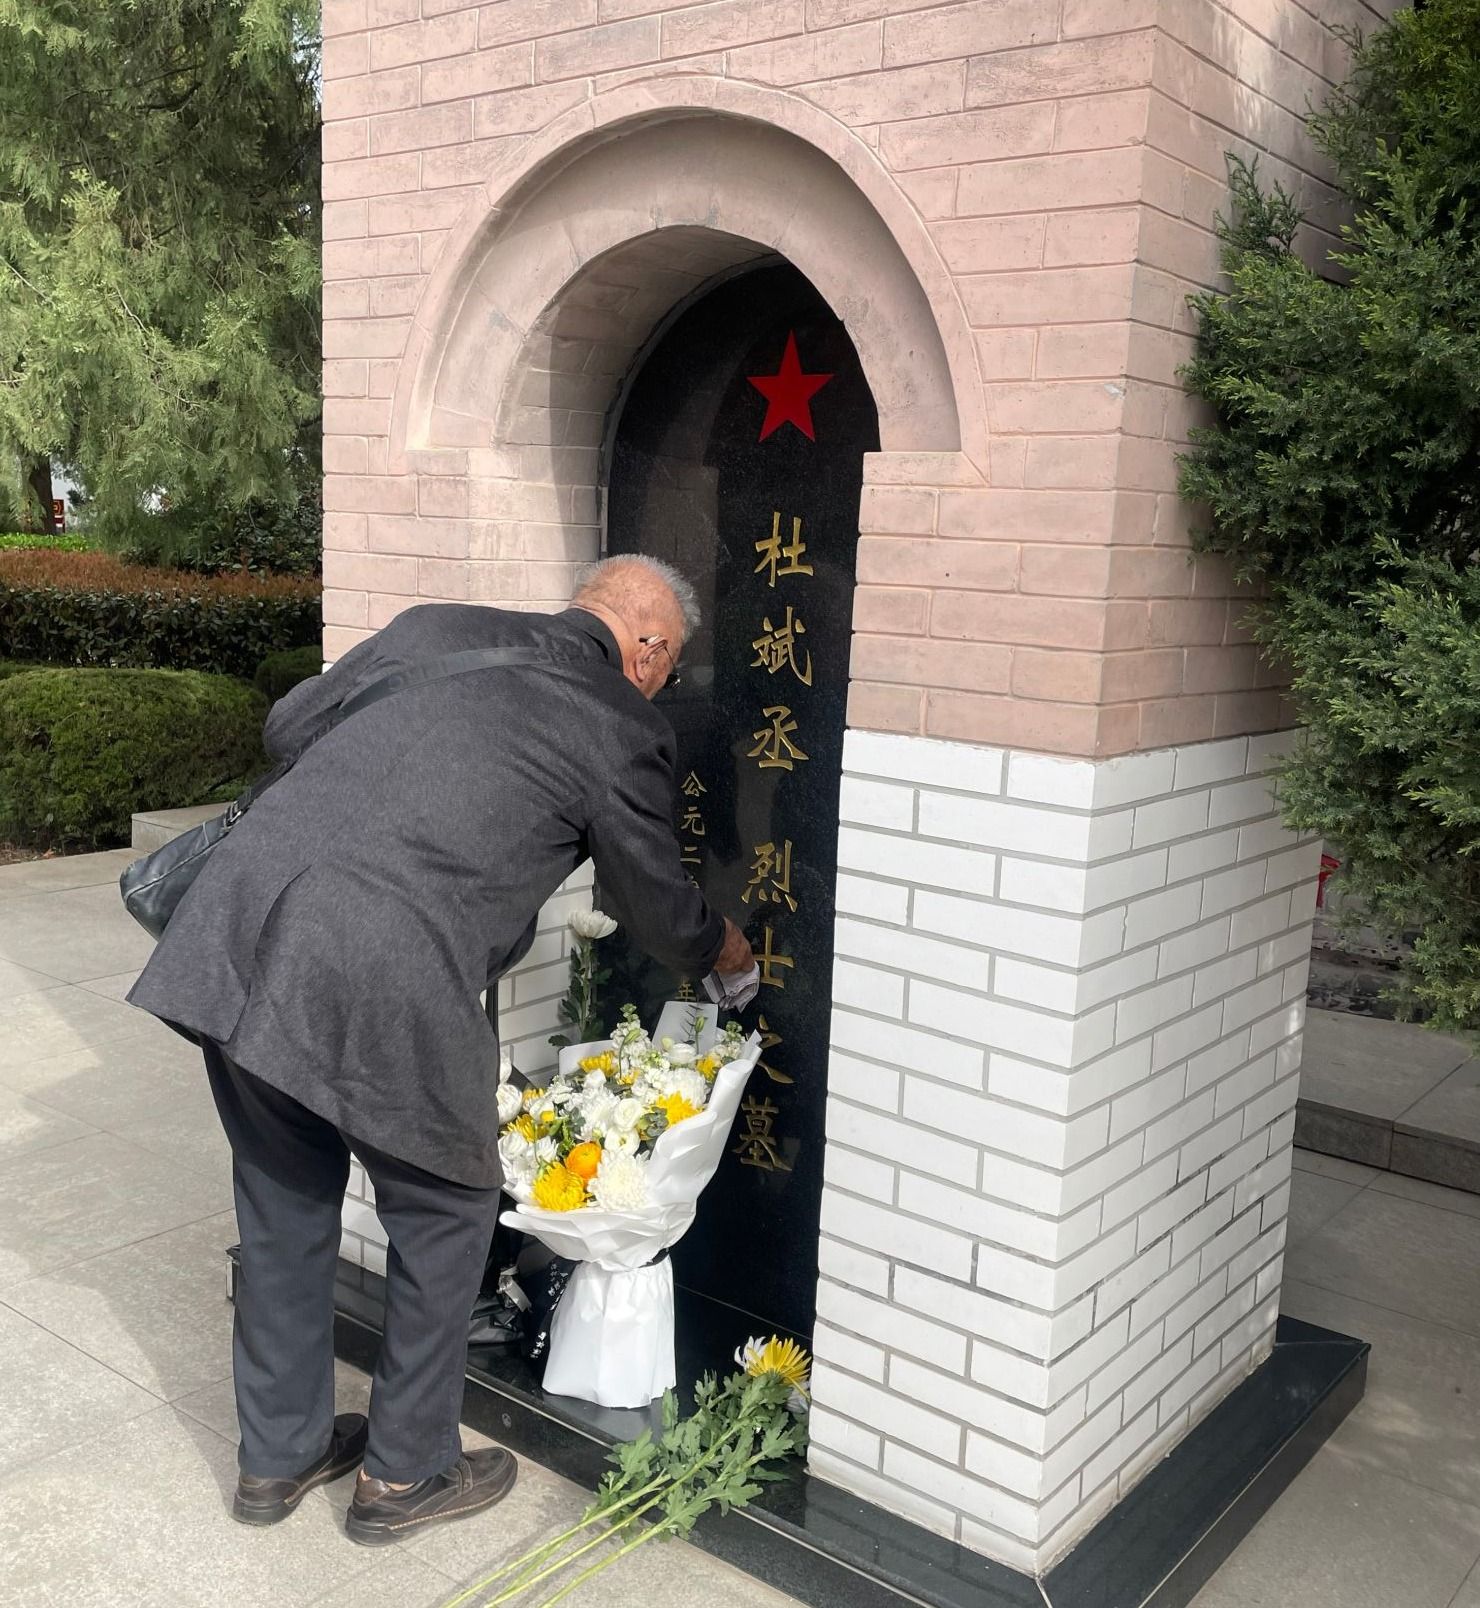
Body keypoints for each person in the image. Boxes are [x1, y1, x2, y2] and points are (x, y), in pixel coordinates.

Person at [127, 556, 755, 1545]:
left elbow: (288, 727)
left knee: (284, 1198)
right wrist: (724, 947)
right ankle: (405, 1473)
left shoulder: (436, 626)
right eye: (667, 668)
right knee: (449, 1204)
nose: (660, 685)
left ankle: (278, 1457)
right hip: (381, 964)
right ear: (647, 648)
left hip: (240, 930)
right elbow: (651, 900)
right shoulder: (620, 723)